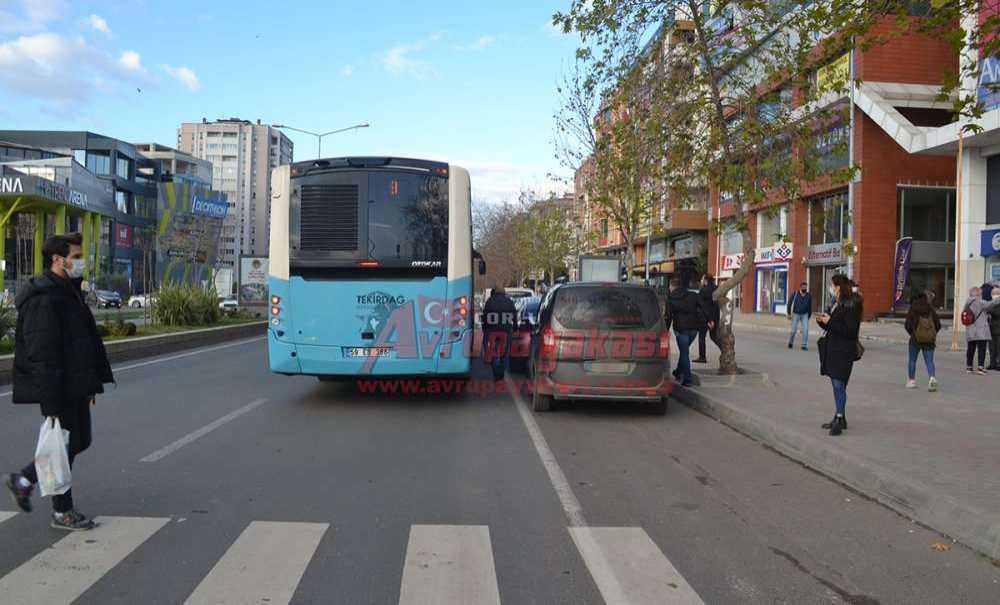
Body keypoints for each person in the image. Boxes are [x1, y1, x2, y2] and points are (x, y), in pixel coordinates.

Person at [5, 233, 113, 531]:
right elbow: (44, 354)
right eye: (76, 257)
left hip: (74, 383)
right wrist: (51, 402)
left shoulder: (68, 291)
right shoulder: (45, 298)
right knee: (65, 442)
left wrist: (89, 383)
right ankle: (61, 510)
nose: (81, 262)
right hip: (59, 385)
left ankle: (24, 480)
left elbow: (80, 343)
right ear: (57, 259)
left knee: (79, 440)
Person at [816, 274, 862, 436]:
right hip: (834, 349)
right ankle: (839, 417)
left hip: (844, 351)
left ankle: (840, 419)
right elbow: (833, 326)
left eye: (833, 286)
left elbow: (850, 331)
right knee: (838, 386)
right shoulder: (836, 304)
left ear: (839, 287)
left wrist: (830, 322)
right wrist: (822, 320)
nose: (832, 289)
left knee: (838, 385)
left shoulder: (851, 306)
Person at [664, 277, 709, 387]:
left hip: (681, 329)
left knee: (684, 353)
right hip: (694, 329)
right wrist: (709, 320)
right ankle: (678, 372)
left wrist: (665, 331)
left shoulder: (670, 298)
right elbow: (703, 307)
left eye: (669, 286)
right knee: (684, 351)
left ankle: (687, 379)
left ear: (672, 286)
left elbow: (668, 316)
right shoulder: (693, 295)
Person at [904, 291, 940, 391]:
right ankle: (932, 378)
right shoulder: (930, 309)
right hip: (929, 340)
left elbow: (907, 325)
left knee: (912, 360)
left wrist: (913, 333)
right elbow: (938, 324)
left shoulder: (913, 309)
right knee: (929, 361)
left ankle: (911, 381)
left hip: (915, 339)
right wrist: (931, 334)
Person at [962, 286, 1000, 374]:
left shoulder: (967, 303)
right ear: (978, 294)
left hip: (970, 329)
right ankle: (980, 367)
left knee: (970, 349)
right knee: (981, 349)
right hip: (981, 330)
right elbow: (992, 304)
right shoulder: (980, 302)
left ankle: (969, 367)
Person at [481, 286, 516, 380]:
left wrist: (484, 329)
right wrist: (515, 327)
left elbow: (484, 317)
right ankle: (502, 370)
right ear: (504, 292)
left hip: (492, 331)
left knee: (493, 350)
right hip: (506, 330)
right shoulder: (509, 301)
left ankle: (496, 370)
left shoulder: (489, 301)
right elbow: (514, 315)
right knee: (506, 352)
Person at [694, 274, 721, 363]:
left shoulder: (703, 291)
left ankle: (702, 357)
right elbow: (716, 305)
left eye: (702, 279)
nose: (701, 281)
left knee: (702, 337)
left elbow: (703, 306)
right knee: (713, 336)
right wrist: (714, 319)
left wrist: (709, 320)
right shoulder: (717, 288)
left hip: (705, 318)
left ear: (705, 280)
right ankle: (724, 349)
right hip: (715, 317)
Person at [787, 282, 812, 351]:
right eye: (803, 287)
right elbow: (789, 303)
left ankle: (804, 345)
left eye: (806, 287)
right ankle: (791, 342)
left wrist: (809, 315)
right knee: (793, 331)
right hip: (796, 314)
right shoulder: (795, 294)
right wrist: (789, 313)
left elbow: (810, 306)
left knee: (805, 330)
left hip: (805, 315)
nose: (805, 288)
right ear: (800, 287)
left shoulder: (809, 295)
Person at [989, 287, 1000, 371]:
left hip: (997, 328)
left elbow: (997, 313)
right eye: (993, 294)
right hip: (992, 328)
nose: (994, 296)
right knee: (992, 347)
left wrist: (990, 310)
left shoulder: (993, 304)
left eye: (995, 294)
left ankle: (998, 364)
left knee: (998, 347)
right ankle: (992, 363)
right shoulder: (991, 303)